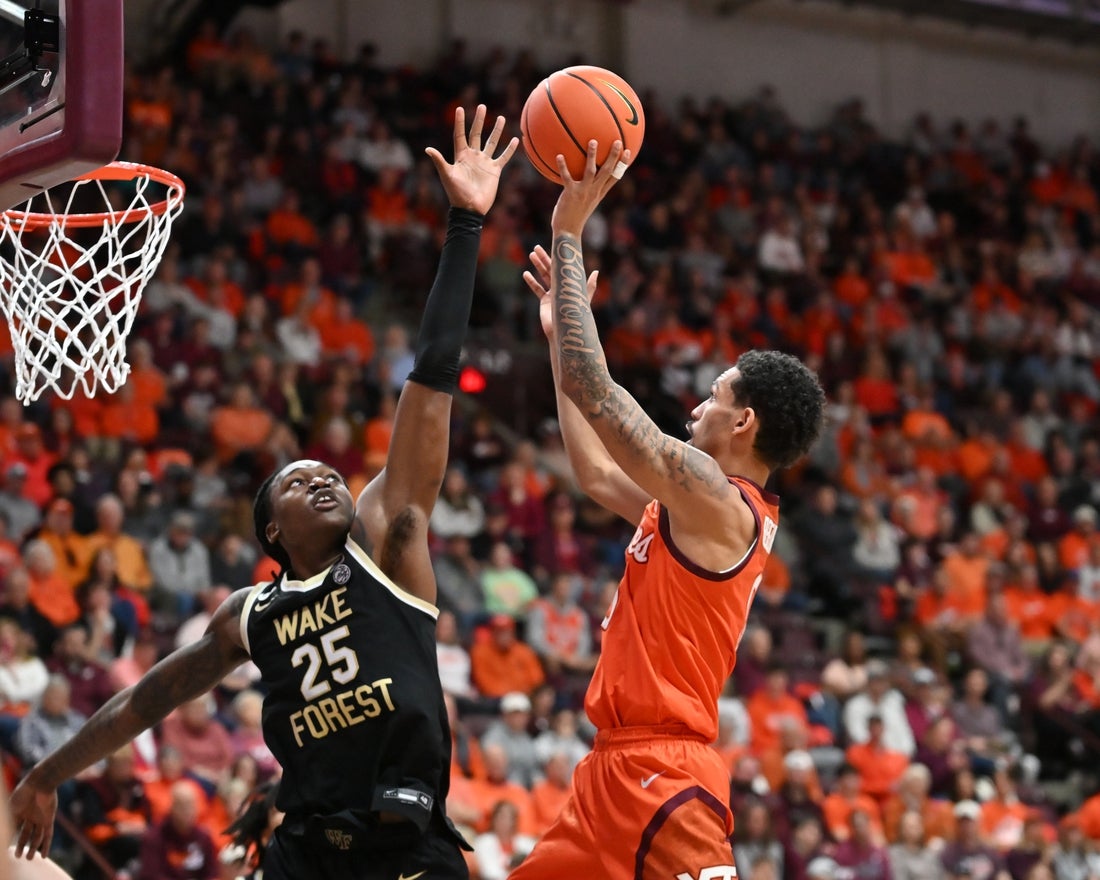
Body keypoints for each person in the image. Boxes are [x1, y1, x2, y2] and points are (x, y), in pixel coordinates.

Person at [11, 104, 519, 880]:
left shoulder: (389, 539)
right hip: (306, 853)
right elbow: (143, 703)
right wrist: (45, 774)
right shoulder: (250, 616)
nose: (321, 476)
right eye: (296, 481)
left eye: (326, 474)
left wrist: (464, 223)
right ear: (271, 533)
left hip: (406, 851)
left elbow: (434, 372)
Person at [514, 141, 825, 879]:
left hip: (666, 777)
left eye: (715, 396)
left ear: (743, 423)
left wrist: (568, 235)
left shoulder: (719, 500)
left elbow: (604, 397)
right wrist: (563, 343)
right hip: (606, 778)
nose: (697, 405)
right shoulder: (693, 507)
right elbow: (592, 470)